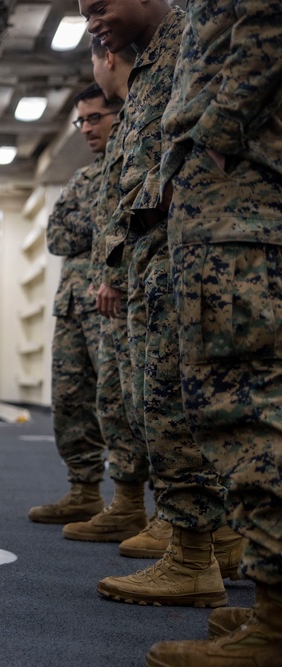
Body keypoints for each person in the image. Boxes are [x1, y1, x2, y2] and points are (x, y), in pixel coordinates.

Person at [79, 0, 242, 609]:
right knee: (165, 402)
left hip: (192, 249)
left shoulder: (195, 37)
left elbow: (195, 144)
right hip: (157, 254)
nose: (92, 19)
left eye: (99, 5)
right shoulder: (156, 62)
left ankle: (194, 555)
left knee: (181, 405)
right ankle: (207, 543)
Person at [145, 1, 282, 663]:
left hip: (238, 203)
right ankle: (269, 605)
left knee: (245, 409)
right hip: (227, 204)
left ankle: (276, 623)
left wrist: (214, 142)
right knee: (235, 409)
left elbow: (267, 22)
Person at [29, 83, 145, 535]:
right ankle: (83, 490)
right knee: (70, 402)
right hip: (74, 305)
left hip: (114, 302)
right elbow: (57, 236)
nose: (86, 129)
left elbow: (119, 222)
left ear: (120, 110)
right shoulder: (82, 178)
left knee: (117, 402)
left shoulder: (134, 160)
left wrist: (94, 223)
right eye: (81, 121)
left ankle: (128, 499)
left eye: (95, 117)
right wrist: (96, 222)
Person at [87, 37, 170, 559]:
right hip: (131, 276)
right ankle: (141, 508)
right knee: (129, 403)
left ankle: (190, 530)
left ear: (107, 58)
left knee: (164, 401)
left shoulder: (155, 91)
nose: (89, 128)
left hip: (155, 270)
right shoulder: (139, 106)